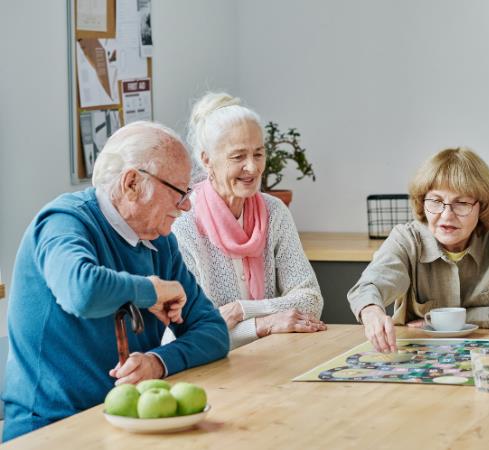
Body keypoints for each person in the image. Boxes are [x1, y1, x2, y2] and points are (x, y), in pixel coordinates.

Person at [2, 122, 229, 441]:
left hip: (129, 423)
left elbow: (213, 331)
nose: (187, 204)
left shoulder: (158, 241)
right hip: (50, 429)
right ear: (132, 182)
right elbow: (82, 292)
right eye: (179, 192)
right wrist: (151, 291)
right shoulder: (64, 222)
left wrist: (157, 362)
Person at [348, 147, 489, 353]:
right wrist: (371, 312)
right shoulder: (407, 239)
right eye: (436, 201)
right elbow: (368, 287)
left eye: (461, 203)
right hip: (421, 359)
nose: (446, 215)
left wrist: (457, 319)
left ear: (482, 208)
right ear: (422, 201)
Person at [171, 92, 325, 350]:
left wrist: (240, 311)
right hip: (208, 366)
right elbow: (191, 332)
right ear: (207, 159)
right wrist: (264, 324)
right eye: (238, 157)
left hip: (271, 358)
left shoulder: (274, 211)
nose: (252, 168)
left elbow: (310, 300)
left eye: (258, 154)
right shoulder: (184, 223)